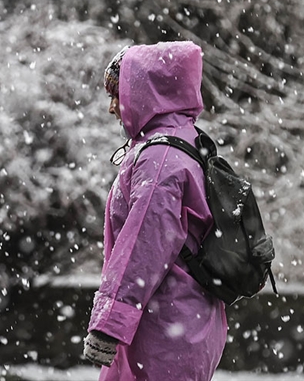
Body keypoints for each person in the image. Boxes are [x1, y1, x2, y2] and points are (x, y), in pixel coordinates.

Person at [83, 42, 227, 380]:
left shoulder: (160, 158)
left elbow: (143, 246)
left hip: (164, 331)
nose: (112, 108)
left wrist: (109, 323)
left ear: (144, 93)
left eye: (118, 95)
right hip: (181, 322)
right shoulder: (184, 141)